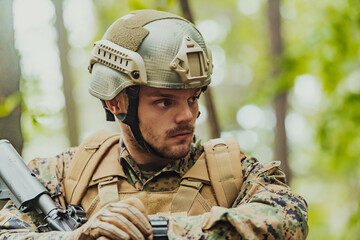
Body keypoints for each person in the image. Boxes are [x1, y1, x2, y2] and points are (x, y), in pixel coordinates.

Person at [0, 9, 308, 239]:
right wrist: (79, 235)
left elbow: (289, 219)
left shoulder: (230, 172)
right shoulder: (66, 174)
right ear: (116, 103)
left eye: (193, 98)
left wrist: (159, 230)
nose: (187, 116)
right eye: (165, 102)